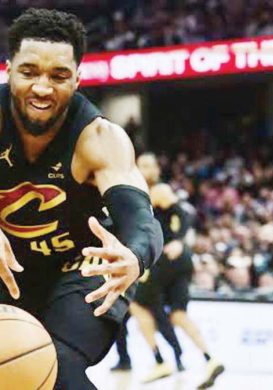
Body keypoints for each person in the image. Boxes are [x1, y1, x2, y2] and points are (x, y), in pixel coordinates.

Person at [0, 8, 163, 389]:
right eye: (29, 72)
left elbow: (139, 215)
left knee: (50, 366)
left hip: (81, 270)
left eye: (58, 76)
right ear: (8, 70)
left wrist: (135, 256)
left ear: (77, 78)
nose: (42, 87)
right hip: (1, 267)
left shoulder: (99, 138)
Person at [130, 182, 224, 388]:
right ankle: (210, 358)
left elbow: (181, 212)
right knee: (178, 314)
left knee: (136, 303)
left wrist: (179, 239)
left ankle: (160, 361)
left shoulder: (155, 190)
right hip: (182, 260)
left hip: (167, 257)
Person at [111, 153, 185, 374]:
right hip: (134, 255)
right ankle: (125, 359)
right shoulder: (129, 190)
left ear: (157, 170)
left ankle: (174, 356)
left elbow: (183, 216)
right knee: (120, 313)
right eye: (142, 165)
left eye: (150, 165)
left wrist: (179, 240)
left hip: (157, 257)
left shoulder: (160, 191)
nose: (146, 169)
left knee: (151, 309)